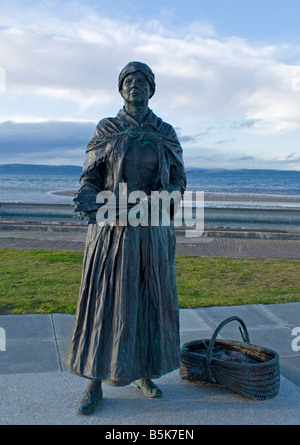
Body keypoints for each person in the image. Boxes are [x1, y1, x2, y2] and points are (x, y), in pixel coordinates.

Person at [64, 61, 186, 415]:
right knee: (105, 304)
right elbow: (90, 177)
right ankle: (94, 380)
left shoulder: (165, 131)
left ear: (152, 88)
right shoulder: (107, 129)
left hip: (151, 233)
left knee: (148, 302)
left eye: (142, 81)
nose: (135, 86)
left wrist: (163, 199)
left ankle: (142, 372)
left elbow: (179, 180)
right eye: (128, 81)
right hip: (111, 233)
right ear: (121, 89)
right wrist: (88, 198)